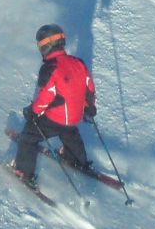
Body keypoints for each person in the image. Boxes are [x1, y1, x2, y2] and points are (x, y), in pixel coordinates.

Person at [13, 24, 97, 190]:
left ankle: (24, 172)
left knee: (29, 137)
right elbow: (89, 88)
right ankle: (78, 160)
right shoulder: (78, 63)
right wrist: (89, 107)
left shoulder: (49, 68)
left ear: (46, 47)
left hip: (54, 119)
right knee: (69, 131)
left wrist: (33, 112)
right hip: (75, 117)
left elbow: (45, 97)